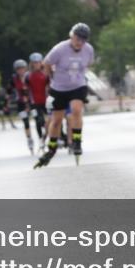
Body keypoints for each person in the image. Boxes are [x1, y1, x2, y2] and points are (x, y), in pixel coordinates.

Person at [34, 23, 94, 168]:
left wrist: (80, 76)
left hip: (77, 85)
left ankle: (77, 141)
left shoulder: (88, 50)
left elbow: (89, 64)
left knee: (76, 110)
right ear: (71, 36)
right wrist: (51, 76)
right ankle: (52, 147)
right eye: (78, 38)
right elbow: (46, 63)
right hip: (59, 88)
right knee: (56, 121)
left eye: (83, 39)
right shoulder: (60, 49)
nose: (80, 42)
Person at [9, 59, 34, 152]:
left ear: (26, 68)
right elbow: (9, 90)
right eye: (18, 69)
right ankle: (29, 139)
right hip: (20, 103)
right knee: (26, 122)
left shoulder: (30, 76)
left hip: (31, 102)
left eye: (22, 68)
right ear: (16, 70)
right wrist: (8, 101)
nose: (21, 71)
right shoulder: (14, 79)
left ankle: (43, 136)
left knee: (39, 119)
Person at [26, 52, 49, 144]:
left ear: (41, 63)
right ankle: (41, 139)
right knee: (38, 120)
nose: (36, 64)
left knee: (53, 119)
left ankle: (60, 136)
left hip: (46, 101)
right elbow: (26, 91)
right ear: (31, 63)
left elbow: (50, 86)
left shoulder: (45, 74)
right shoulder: (28, 76)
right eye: (34, 62)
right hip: (34, 103)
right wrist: (27, 104)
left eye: (38, 62)